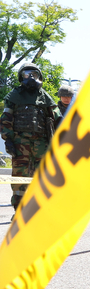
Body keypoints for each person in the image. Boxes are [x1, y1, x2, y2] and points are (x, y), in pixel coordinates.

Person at [1, 62, 62, 211]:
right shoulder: (14, 95)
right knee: (19, 180)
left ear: (39, 76)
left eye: (34, 75)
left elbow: (57, 117)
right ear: (21, 77)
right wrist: (7, 140)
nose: (31, 78)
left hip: (41, 145)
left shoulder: (44, 96)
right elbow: (6, 119)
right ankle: (19, 212)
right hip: (20, 144)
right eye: (27, 74)